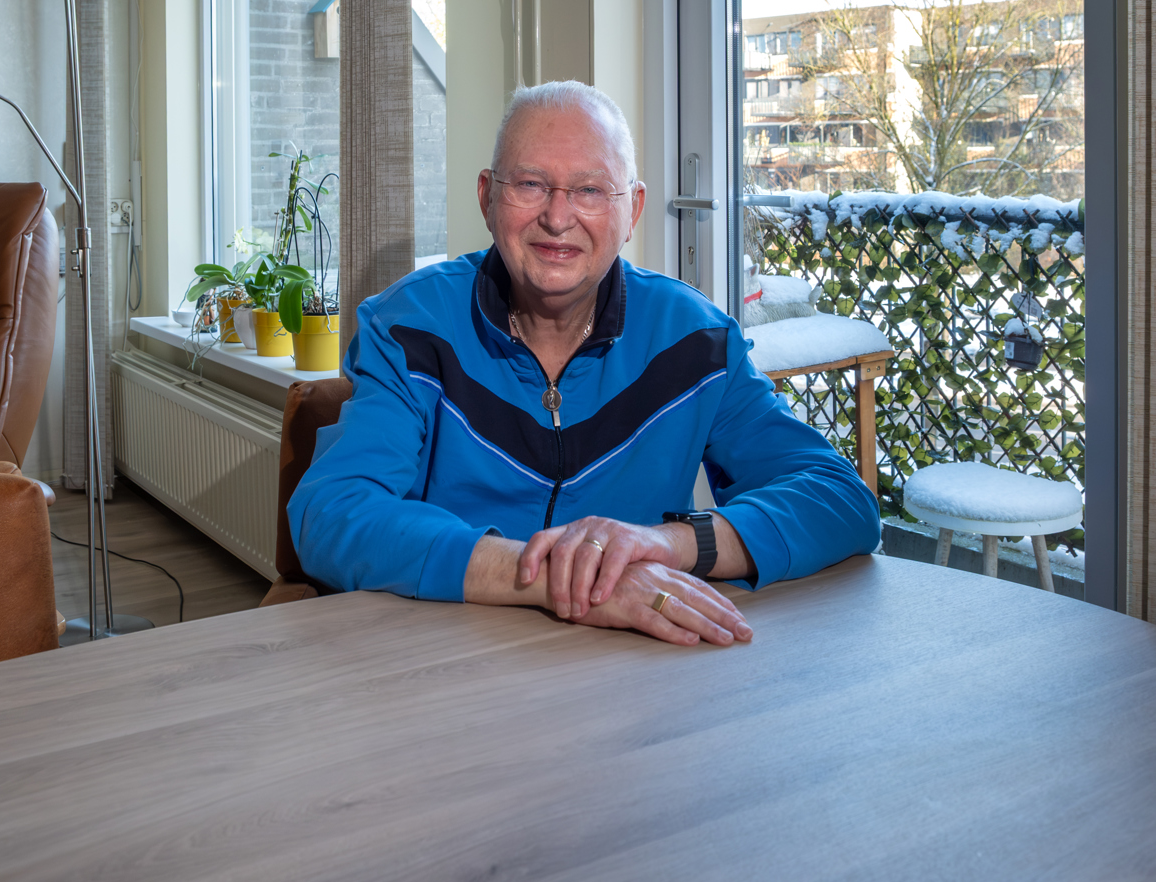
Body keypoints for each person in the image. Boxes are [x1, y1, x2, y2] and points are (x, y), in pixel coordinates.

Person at [289, 81, 880, 646]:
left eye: (591, 190)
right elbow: (332, 514)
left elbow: (839, 500)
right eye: (530, 184)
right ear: (487, 198)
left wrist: (665, 545)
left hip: (629, 666)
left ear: (633, 210)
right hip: (442, 659)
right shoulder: (407, 326)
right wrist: (559, 577)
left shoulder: (696, 338)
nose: (557, 217)